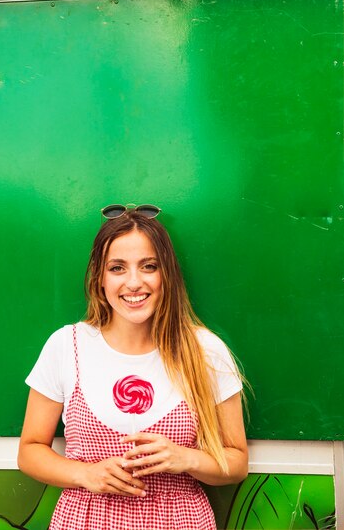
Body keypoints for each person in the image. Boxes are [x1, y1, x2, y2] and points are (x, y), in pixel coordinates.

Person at [18, 204, 248, 530]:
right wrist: (86, 473)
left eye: (149, 266)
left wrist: (187, 459)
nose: (134, 282)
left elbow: (237, 463)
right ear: (99, 278)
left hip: (180, 520)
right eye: (117, 268)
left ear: (166, 274)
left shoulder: (205, 350)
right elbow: (30, 451)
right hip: (86, 520)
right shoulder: (66, 346)